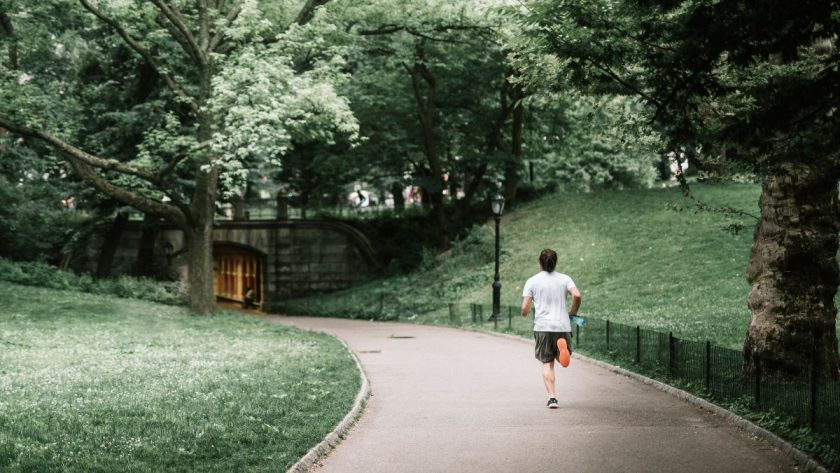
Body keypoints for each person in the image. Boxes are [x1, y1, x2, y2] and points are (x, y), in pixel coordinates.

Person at [521, 248, 581, 409]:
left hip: (543, 327)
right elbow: (577, 295)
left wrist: (525, 312)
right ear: (555, 262)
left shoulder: (532, 281)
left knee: (546, 363)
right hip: (562, 325)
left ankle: (552, 398)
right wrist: (573, 312)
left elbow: (525, 308)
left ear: (540, 262)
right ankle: (562, 352)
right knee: (559, 356)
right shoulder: (565, 279)